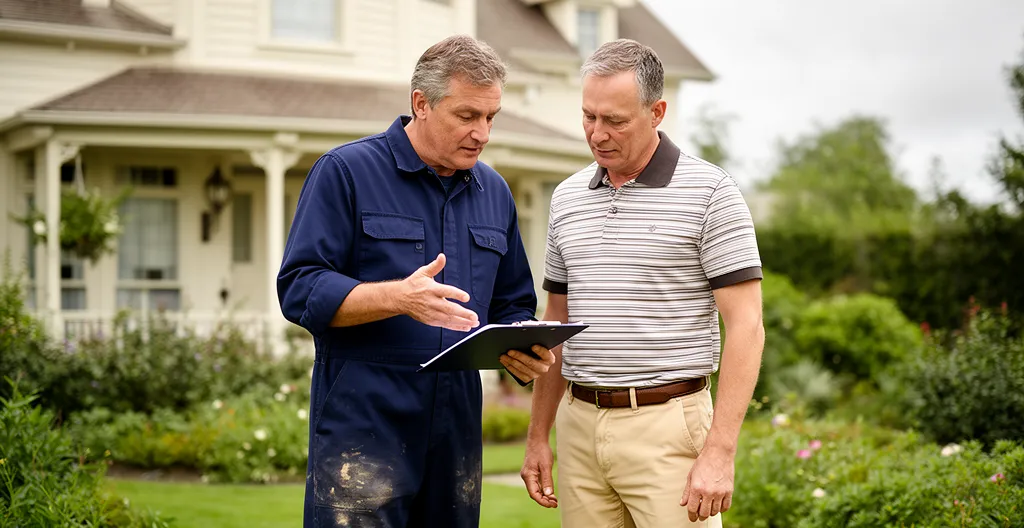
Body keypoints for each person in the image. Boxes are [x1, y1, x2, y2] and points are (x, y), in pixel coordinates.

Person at [278, 35, 556, 528]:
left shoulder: (495, 192)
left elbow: (512, 303)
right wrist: (397, 297)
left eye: (491, 117)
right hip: (364, 419)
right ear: (421, 104)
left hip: (457, 424)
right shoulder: (345, 172)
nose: (482, 133)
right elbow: (299, 288)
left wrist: (521, 346)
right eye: (467, 115)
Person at [519, 39, 765, 527]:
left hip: (668, 427)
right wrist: (538, 435)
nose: (597, 134)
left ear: (657, 112)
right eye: (589, 116)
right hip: (579, 426)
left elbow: (747, 325)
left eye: (615, 120)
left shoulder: (710, 192)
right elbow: (556, 322)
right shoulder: (566, 198)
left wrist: (720, 451)